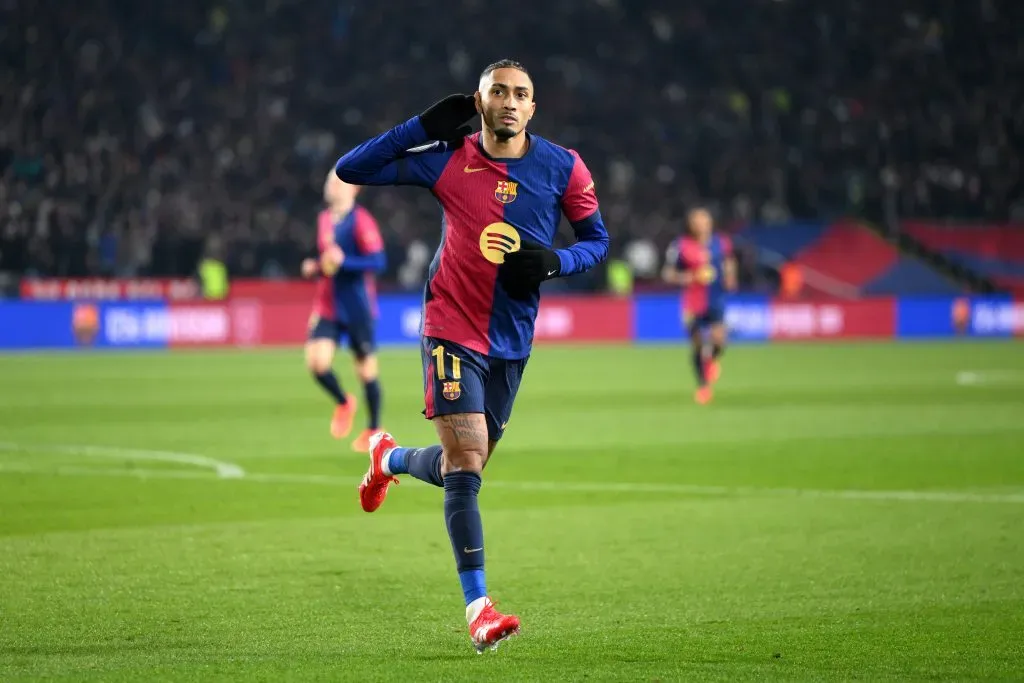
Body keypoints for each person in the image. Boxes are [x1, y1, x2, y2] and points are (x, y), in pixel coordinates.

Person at [334, 59, 609, 653]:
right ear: (479, 103)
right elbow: (351, 168)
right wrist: (415, 126)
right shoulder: (448, 155)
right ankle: (479, 609)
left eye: (521, 94)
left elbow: (598, 242)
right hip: (451, 326)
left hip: (512, 340)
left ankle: (392, 458)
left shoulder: (564, 167)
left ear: (533, 107)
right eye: (498, 93)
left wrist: (557, 261)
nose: (510, 102)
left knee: (467, 462)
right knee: (466, 465)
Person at [300, 172, 387, 451]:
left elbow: (378, 261)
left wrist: (344, 262)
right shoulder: (324, 218)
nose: (331, 186)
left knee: (366, 371)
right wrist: (315, 267)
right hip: (327, 305)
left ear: (354, 189)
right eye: (329, 181)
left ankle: (373, 428)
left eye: (337, 182)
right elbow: (328, 262)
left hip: (357, 307)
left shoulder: (361, 220)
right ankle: (344, 401)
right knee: (316, 363)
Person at [662, 207, 737, 404]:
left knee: (719, 339)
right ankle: (703, 386)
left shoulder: (721, 242)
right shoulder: (681, 246)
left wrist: (730, 276)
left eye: (705, 220)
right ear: (691, 224)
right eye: (697, 221)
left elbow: (729, 261)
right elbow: (667, 273)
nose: (702, 224)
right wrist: (686, 277)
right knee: (697, 344)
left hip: (716, 298)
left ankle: (712, 358)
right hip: (692, 302)